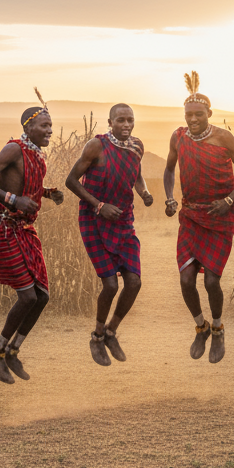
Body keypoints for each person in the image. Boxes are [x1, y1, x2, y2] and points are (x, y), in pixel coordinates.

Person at [163, 73, 234, 363]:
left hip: (220, 215)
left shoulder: (224, 137)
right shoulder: (178, 137)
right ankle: (200, 326)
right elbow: (168, 170)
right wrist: (169, 197)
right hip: (190, 214)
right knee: (187, 279)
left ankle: (217, 328)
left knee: (212, 281)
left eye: (198, 114)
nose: (193, 119)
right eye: (188, 114)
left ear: (209, 114)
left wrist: (229, 200)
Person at [0, 98, 64, 383]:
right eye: (44, 125)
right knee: (27, 296)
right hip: (1, 226)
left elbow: (28, 186)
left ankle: (13, 351)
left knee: (42, 297)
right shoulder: (14, 148)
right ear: (29, 127)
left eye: (51, 124)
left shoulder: (37, 154)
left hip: (23, 229)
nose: (49, 130)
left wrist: (48, 193)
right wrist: (12, 199)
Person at [65, 103, 153, 365]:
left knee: (134, 283)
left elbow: (136, 175)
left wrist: (145, 193)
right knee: (111, 285)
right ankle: (97, 336)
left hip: (123, 220)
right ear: (110, 122)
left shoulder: (137, 146)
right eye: (121, 120)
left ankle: (112, 332)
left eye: (130, 120)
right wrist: (99, 206)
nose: (126, 125)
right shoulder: (96, 146)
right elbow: (71, 181)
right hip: (94, 219)